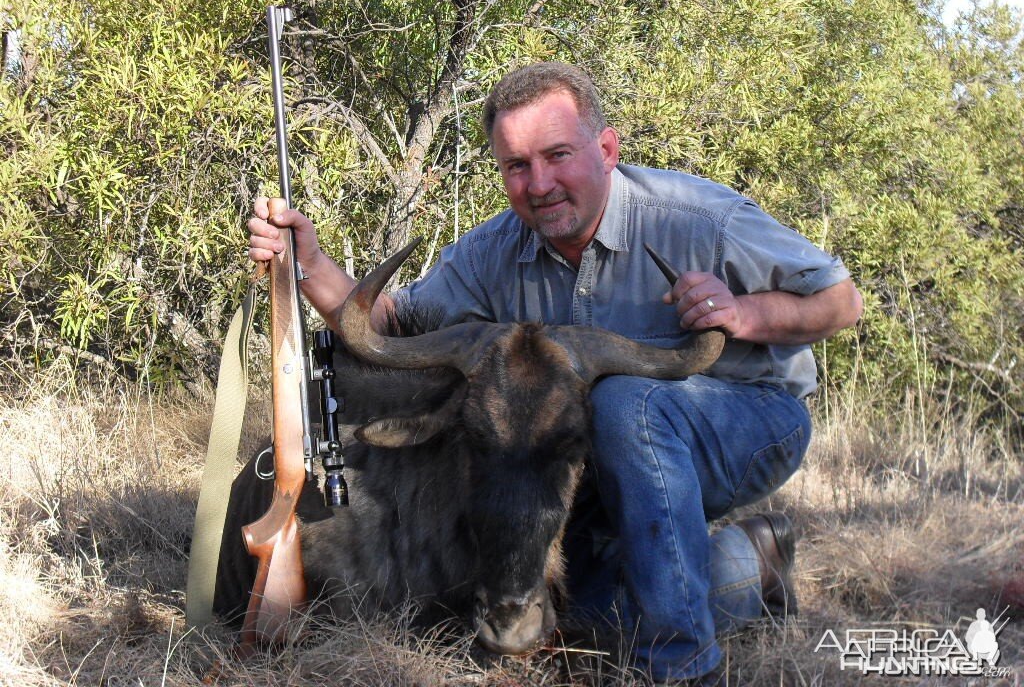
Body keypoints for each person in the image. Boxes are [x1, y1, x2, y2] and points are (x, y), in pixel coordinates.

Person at [248, 62, 863, 684]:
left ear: (606, 148)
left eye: (557, 155)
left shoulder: (696, 217)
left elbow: (840, 303)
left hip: (747, 420)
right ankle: (746, 559)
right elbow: (387, 324)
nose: (539, 183)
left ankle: (679, 667)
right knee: (586, 614)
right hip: (599, 453)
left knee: (626, 406)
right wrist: (310, 262)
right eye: (517, 165)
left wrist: (743, 311)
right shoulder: (492, 250)